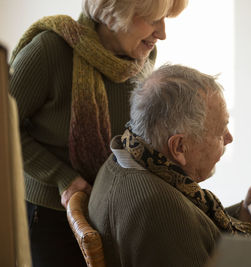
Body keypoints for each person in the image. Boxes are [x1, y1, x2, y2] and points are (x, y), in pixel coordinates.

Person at [88, 64, 251, 266]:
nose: (230, 138)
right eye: (220, 132)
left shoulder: (121, 157)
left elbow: (195, 237)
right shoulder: (158, 209)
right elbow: (183, 231)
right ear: (179, 147)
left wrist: (242, 216)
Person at [8, 0, 187, 266]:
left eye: (165, 19)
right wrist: (62, 177)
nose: (162, 33)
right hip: (50, 216)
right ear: (114, 13)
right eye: (152, 20)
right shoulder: (49, 51)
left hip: (110, 212)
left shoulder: (143, 56)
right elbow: (5, 131)